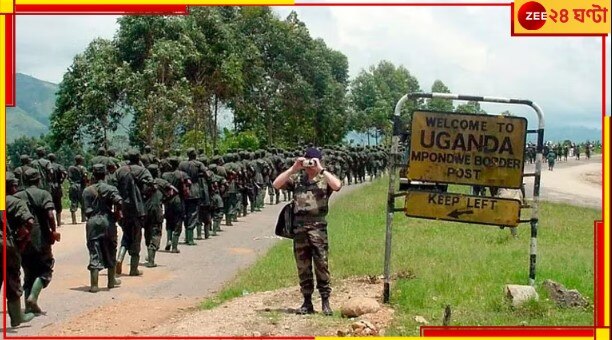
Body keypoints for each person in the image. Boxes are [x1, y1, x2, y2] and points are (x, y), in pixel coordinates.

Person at [272, 147, 342, 316]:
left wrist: (321, 169)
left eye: (312, 161)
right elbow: (276, 184)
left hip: (318, 227)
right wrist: (293, 168)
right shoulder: (297, 179)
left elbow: (337, 185)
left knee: (321, 265)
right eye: (307, 161)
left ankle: (325, 301)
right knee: (303, 266)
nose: (309, 164)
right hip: (299, 228)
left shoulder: (324, 179)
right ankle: (307, 302)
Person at [14, 168, 61, 314]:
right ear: (38, 179)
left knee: (28, 271)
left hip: (23, 239)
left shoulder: (17, 196)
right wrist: (53, 231)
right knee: (45, 269)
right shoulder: (43, 194)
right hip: (41, 237)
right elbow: (50, 215)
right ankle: (33, 297)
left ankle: (29, 306)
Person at [82, 164, 124, 292]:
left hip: (93, 222)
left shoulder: (87, 191)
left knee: (94, 251)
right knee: (111, 249)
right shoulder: (111, 188)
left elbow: (85, 210)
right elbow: (119, 202)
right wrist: (117, 213)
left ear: (93, 175)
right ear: (105, 174)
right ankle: (111, 281)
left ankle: (94, 285)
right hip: (108, 221)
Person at [4, 174, 36, 327]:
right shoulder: (16, 202)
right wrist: (23, 239)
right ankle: (17, 317)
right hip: (7, 245)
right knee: (12, 277)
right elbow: (29, 222)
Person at [68, 155, 89, 224]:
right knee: (83, 202)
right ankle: (83, 218)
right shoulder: (83, 168)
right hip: (81, 186)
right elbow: (85, 175)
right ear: (81, 161)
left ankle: (74, 220)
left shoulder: (70, 168)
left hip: (73, 186)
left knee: (73, 202)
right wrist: (86, 183)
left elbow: (68, 177)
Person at [48, 153, 67, 226]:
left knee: (49, 204)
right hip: (57, 186)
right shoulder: (58, 166)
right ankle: (58, 222)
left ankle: (51, 223)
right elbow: (65, 173)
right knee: (58, 204)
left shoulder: (46, 166)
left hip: (49, 187)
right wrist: (61, 180)